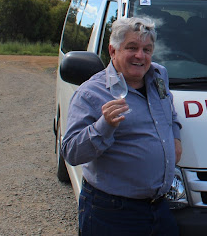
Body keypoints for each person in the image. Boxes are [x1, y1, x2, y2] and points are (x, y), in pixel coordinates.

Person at [62, 17, 182, 236]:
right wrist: (104, 126)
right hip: (112, 212)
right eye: (132, 47)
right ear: (112, 50)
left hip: (159, 208)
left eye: (147, 49)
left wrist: (175, 136)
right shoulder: (90, 93)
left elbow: (170, 110)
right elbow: (71, 152)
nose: (140, 56)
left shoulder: (158, 76)